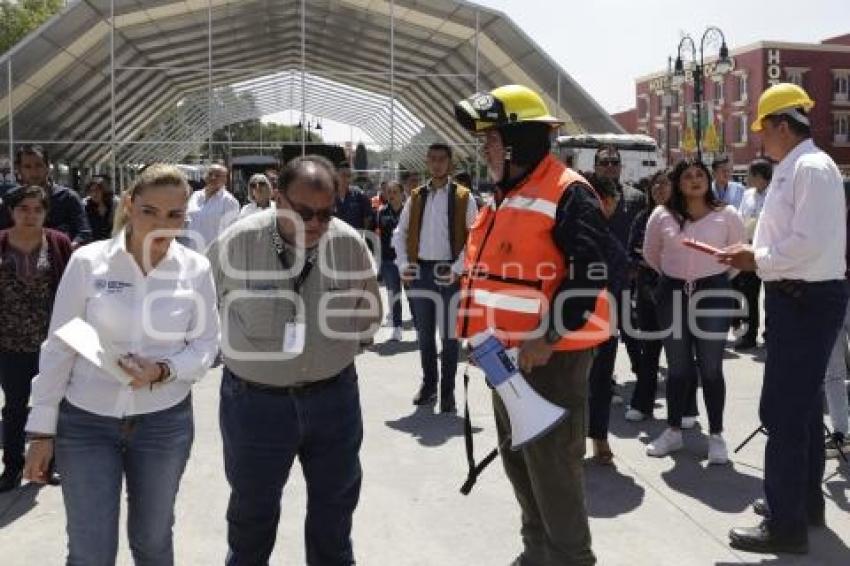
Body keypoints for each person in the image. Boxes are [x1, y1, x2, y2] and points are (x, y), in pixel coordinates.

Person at [23, 164, 220, 565]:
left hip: (163, 424)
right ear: (129, 205)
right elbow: (60, 345)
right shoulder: (88, 262)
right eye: (150, 211)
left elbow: (205, 344)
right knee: (90, 551)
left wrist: (163, 370)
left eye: (174, 215)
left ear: (186, 215)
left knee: (152, 543)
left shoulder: (195, 269)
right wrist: (41, 431)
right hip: (86, 423)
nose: (162, 224)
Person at [454, 84, 610, 566]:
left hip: (550, 359)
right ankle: (536, 554)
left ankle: (570, 559)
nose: (487, 148)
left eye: (494, 138)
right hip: (501, 358)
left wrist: (546, 337)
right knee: (519, 461)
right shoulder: (503, 195)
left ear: (519, 140)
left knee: (553, 472)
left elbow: (590, 274)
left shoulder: (568, 192)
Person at [209, 155, 381, 566]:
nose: (318, 223)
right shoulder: (237, 242)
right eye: (306, 212)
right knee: (251, 514)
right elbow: (202, 304)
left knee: (334, 513)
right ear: (280, 200)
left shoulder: (348, 244)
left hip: (333, 401)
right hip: (255, 405)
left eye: (326, 212)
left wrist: (331, 355)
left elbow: (368, 313)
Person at [720, 83, 848, 555]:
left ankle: (785, 523)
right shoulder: (801, 166)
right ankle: (800, 504)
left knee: (784, 413)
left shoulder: (809, 168)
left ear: (780, 126)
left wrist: (756, 258)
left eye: (762, 132)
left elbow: (807, 244)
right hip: (800, 297)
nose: (760, 142)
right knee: (803, 410)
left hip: (802, 298)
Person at [643, 158, 745, 464]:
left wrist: (711, 281)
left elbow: (739, 256)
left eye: (700, 174)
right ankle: (673, 432)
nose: (695, 180)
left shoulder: (726, 214)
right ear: (677, 183)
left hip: (713, 293)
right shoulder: (662, 215)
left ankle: (716, 436)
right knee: (678, 368)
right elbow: (651, 254)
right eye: (687, 176)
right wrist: (677, 277)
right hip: (672, 292)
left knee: (712, 368)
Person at [392, 143, 477, 413]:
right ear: (427, 163)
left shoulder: (465, 197)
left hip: (449, 272)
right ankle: (429, 386)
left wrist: (457, 268)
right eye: (432, 159)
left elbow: (474, 239)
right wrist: (404, 264)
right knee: (425, 335)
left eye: (442, 159)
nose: (437, 164)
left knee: (450, 338)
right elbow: (399, 234)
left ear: (449, 163)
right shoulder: (416, 197)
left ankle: (447, 392)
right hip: (421, 273)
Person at [0, 186, 73, 492]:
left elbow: (73, 288)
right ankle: (13, 466)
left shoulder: (58, 243)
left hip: (51, 343)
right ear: (11, 211)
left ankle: (48, 465)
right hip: (9, 342)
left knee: (56, 403)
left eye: (37, 210)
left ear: (45, 213)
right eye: (23, 209)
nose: (30, 215)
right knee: (15, 406)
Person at [584, 174, 629, 465]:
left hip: (605, 322)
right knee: (573, 385)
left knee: (600, 382)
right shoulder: (571, 233)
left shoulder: (612, 235)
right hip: (572, 322)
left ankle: (599, 437)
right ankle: (575, 440)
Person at [594, 145, 645, 391]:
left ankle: (644, 375)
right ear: (596, 167)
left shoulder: (636, 197)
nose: (610, 167)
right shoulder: (585, 196)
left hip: (627, 277)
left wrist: (636, 265)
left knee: (631, 328)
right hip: (595, 280)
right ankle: (605, 381)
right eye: (605, 162)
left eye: (614, 162)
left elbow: (643, 234)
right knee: (603, 334)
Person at [0, 145, 91, 247]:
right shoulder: (11, 198)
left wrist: (64, 251)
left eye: (38, 165)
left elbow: (84, 233)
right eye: (27, 167)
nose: (34, 172)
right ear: (19, 170)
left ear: (48, 167)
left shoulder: (68, 198)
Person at [732, 158, 773, 350]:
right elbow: (741, 217)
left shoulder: (776, 195)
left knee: (772, 296)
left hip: (770, 251)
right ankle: (749, 335)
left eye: (750, 174)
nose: (747, 178)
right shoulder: (747, 195)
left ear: (760, 177)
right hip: (749, 250)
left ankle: (771, 335)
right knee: (748, 296)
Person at [185, 162, 240, 250]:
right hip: (192, 251)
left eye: (217, 175)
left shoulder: (229, 201)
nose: (213, 177)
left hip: (215, 254)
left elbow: (232, 232)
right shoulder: (195, 196)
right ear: (205, 176)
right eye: (210, 174)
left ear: (225, 179)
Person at [376, 181, 406, 341]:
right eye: (389, 192)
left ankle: (421, 329)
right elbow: (379, 238)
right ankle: (397, 327)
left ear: (402, 193)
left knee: (413, 296)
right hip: (389, 260)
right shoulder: (381, 212)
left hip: (407, 261)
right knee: (394, 296)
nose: (392, 195)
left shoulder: (409, 212)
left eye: (395, 192)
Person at [335, 161, 374, 231]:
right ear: (336, 176)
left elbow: (367, 219)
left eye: (349, 176)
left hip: (354, 239)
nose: (346, 179)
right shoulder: (327, 197)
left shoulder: (360, 196)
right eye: (343, 175)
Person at [83, 175, 120, 241]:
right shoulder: (85, 205)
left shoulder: (115, 203)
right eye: (91, 191)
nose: (94, 194)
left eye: (97, 190)